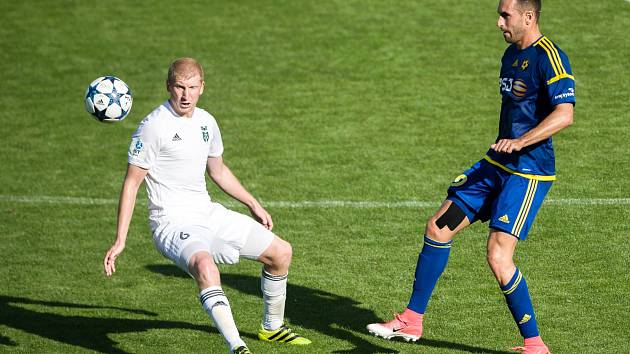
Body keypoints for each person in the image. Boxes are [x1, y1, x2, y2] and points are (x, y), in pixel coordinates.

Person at [367, 0, 574, 353]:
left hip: (527, 174)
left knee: (498, 255)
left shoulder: (550, 57)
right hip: (496, 165)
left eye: (505, 15)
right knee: (438, 226)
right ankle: (412, 320)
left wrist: (522, 141)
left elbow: (565, 114)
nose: (498, 22)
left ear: (528, 16)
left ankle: (535, 345)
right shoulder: (511, 55)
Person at [103, 58, 311, 354]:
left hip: (207, 212)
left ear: (202, 87)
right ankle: (237, 346)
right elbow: (132, 183)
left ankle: (272, 328)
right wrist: (121, 239)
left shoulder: (206, 122)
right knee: (205, 265)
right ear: (168, 86)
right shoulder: (153, 127)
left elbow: (218, 171)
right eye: (179, 87)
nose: (185, 96)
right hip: (171, 223)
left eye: (191, 87)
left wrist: (253, 202)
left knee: (281, 252)